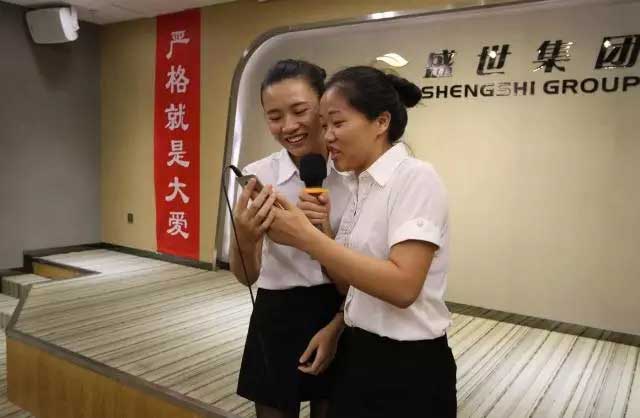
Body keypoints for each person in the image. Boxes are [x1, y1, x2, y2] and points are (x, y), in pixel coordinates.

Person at [267, 66, 457, 418]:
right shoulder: (358, 187)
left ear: (381, 122)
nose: (327, 137)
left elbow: (403, 287)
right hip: (357, 351)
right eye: (323, 125)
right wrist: (320, 231)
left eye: (337, 123)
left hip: (409, 366)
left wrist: (307, 239)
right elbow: (348, 284)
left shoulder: (416, 178)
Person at [230, 59, 352, 418]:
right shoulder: (258, 176)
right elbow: (246, 276)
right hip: (276, 312)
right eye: (274, 116)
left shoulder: (352, 174)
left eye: (300, 111)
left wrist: (319, 234)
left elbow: (362, 268)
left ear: (324, 106)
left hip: (340, 308)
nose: (288, 127)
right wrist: (245, 237)